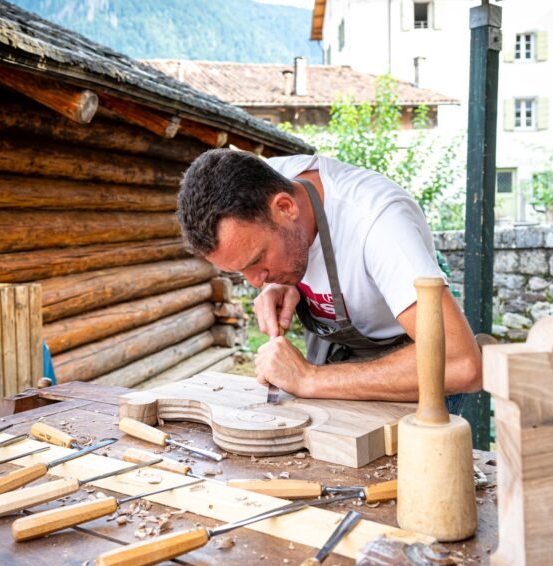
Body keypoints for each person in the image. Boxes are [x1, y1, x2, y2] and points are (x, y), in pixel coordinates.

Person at [177, 149, 481, 403]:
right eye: (241, 271)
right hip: (337, 356)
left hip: (411, 367)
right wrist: (276, 283)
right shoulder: (259, 183)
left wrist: (309, 378)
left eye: (257, 260)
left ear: (285, 207)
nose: (255, 281)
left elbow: (462, 364)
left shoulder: (378, 222)